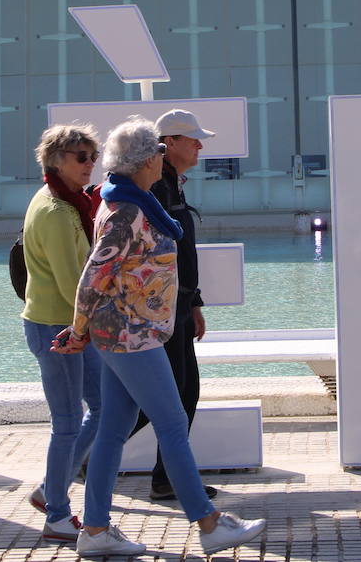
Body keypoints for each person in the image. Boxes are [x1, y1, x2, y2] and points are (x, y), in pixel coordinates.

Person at [51, 118, 264, 558]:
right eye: (160, 154)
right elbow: (93, 277)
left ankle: (94, 530)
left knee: (113, 429)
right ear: (148, 159)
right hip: (131, 336)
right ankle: (208, 524)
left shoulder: (132, 202)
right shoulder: (126, 212)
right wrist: (78, 331)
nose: (162, 160)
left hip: (129, 331)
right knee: (170, 423)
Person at [21, 123, 104, 542]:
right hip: (59, 327)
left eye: (93, 156)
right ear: (56, 160)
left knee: (103, 406)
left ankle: (51, 489)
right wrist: (88, 328)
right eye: (81, 157)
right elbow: (74, 280)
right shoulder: (56, 211)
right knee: (69, 422)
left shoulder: (68, 202)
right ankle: (56, 512)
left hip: (69, 324)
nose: (91, 164)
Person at [129, 107, 216, 501]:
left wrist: (193, 303)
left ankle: (163, 477)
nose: (200, 145)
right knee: (173, 396)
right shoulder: (157, 187)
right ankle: (165, 479)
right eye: (193, 138)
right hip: (162, 311)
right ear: (170, 144)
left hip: (177, 308)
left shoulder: (172, 184)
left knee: (180, 393)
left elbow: (181, 253)